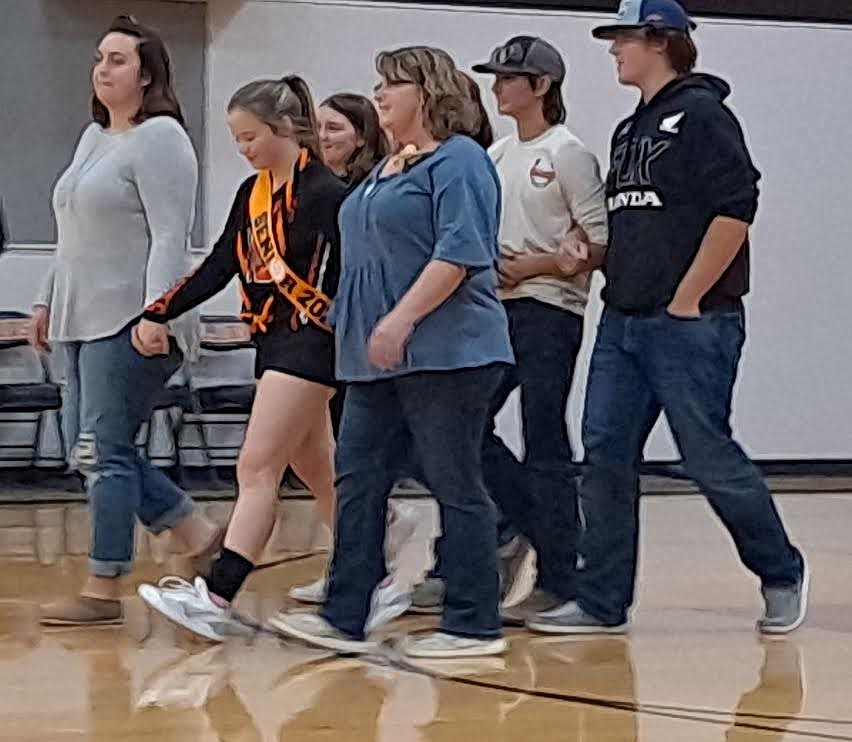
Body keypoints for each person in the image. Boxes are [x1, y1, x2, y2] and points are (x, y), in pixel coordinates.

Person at [527, 0, 807, 635]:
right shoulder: (629, 131)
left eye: (623, 37)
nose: (612, 49)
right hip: (621, 319)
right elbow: (638, 222)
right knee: (604, 457)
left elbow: (736, 209)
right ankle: (601, 600)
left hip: (690, 323)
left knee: (706, 454)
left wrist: (687, 298)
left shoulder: (705, 115)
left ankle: (781, 569)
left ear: (660, 40)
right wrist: (589, 252)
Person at [134, 75, 403, 641]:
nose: (244, 149)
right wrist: (158, 310)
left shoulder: (328, 194)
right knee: (319, 472)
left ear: (284, 129)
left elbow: (363, 270)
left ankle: (218, 592)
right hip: (273, 343)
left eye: (251, 137)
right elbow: (217, 266)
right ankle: (371, 568)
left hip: (313, 342)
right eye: (237, 140)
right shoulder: (252, 194)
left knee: (256, 468)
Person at [270, 46, 515, 658]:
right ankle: (344, 614)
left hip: (448, 353)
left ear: (428, 93)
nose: (379, 94)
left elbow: (461, 252)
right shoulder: (387, 168)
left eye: (393, 84)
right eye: (378, 82)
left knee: (455, 483)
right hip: (373, 359)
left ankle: (473, 622)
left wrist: (401, 317)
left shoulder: (460, 162)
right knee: (358, 481)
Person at [30, 15, 220, 627]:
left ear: (147, 75)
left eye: (117, 59)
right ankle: (196, 531)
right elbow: (71, 236)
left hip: (130, 319)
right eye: (99, 58)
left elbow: (171, 236)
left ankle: (103, 585)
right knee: (88, 450)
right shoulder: (94, 139)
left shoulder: (162, 138)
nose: (103, 68)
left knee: (106, 449)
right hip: (78, 316)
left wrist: (158, 312)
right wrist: (44, 299)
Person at [470, 36, 608, 621]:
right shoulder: (498, 154)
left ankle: (560, 573)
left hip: (550, 308)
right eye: (496, 76)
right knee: (468, 424)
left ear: (541, 86)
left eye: (509, 77)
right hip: (497, 307)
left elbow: (596, 243)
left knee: (543, 433)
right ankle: (535, 525)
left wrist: (538, 264)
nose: (497, 85)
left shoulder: (569, 152)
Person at [290, 92, 417, 607]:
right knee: (324, 456)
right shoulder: (317, 191)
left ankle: (370, 561)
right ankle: (360, 559)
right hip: (329, 333)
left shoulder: (364, 191)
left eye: (335, 128)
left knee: (360, 454)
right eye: (317, 127)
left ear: (361, 137)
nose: (323, 137)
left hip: (359, 336)